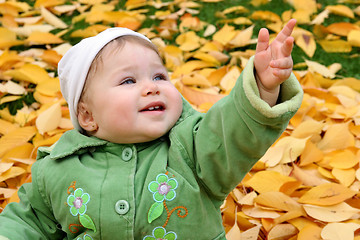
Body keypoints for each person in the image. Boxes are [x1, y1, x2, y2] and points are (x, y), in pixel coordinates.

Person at [0, 19, 303, 240]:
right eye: (129, 81)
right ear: (87, 115)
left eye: (159, 76)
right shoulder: (57, 169)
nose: (151, 88)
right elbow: (29, 223)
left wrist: (263, 85)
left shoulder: (193, 148)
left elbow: (234, 132)